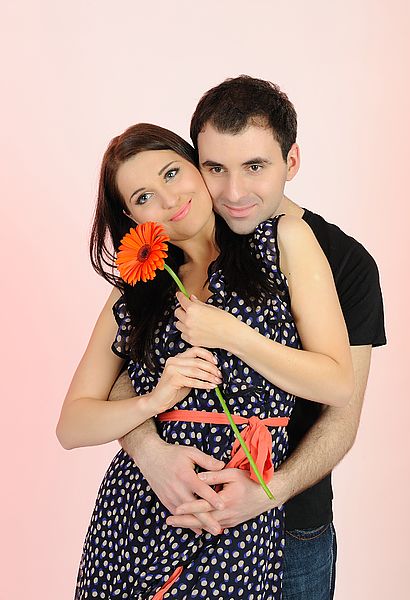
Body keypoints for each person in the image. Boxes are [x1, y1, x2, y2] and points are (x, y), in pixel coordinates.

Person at [108, 76, 387, 599]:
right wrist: (149, 451)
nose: (234, 193)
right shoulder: (182, 243)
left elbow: (341, 415)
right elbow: (128, 376)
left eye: (255, 167)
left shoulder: (344, 261)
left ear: (293, 161)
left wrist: (266, 494)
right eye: (215, 168)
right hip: (179, 512)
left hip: (293, 521)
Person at [56, 122, 354, 599]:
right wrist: (152, 404)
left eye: (172, 173)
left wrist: (231, 335)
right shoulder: (135, 289)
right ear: (134, 219)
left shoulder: (282, 241)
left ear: (198, 165)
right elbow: (71, 426)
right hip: (140, 511)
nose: (169, 200)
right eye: (144, 197)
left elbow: (338, 384)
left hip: (238, 516)